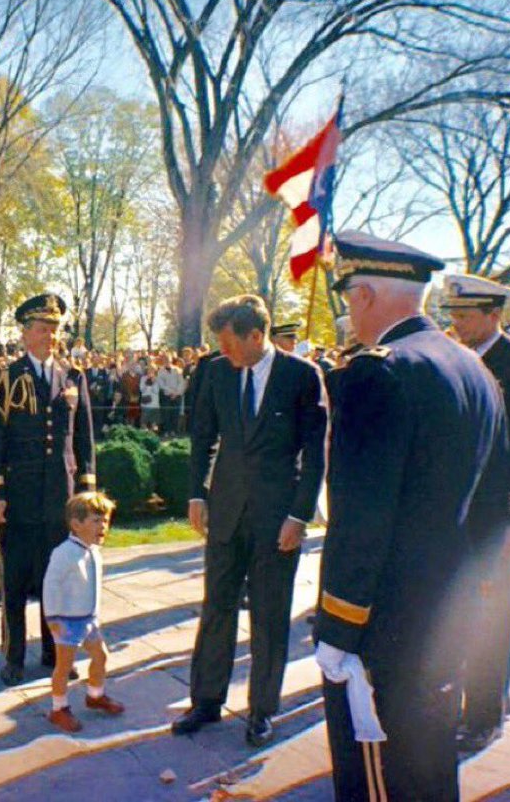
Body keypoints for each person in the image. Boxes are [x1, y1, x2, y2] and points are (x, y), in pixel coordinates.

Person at [315, 233, 505, 802]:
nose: (350, 313)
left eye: (350, 298)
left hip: (383, 623)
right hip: (446, 610)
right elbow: (491, 505)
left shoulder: (379, 372)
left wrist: (339, 627)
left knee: (379, 777)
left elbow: (360, 519)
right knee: (429, 764)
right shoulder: (473, 368)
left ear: (366, 294)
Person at [172, 295, 327, 747]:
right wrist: (197, 493)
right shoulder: (218, 372)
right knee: (216, 608)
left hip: (277, 519)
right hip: (226, 512)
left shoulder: (301, 376)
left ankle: (261, 710)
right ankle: (206, 701)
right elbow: (203, 436)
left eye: (228, 342)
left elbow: (316, 454)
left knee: (269, 615)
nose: (222, 351)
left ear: (256, 336)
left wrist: (299, 515)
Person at [442, 273, 510, 752]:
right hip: (458, 515)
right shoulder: (452, 360)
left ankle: (483, 717)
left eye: (465, 315)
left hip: (500, 519)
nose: (457, 324)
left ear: (494, 316)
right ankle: (491, 695)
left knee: (491, 613)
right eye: (453, 315)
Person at [0, 293, 96, 687]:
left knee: (57, 579)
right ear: (25, 333)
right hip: (18, 496)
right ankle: (13, 656)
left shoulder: (73, 376)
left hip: (60, 497)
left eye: (55, 330)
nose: (51, 337)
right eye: (43, 329)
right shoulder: (6, 377)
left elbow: (84, 440)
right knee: (14, 580)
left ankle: (53, 651)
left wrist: (86, 493)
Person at [42, 491, 125, 733]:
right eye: (96, 521)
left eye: (105, 521)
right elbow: (51, 586)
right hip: (67, 621)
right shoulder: (64, 552)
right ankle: (59, 708)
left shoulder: (94, 552)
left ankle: (95, 695)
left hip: (88, 619)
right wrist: (52, 617)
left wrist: (95, 613)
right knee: (64, 666)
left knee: (101, 656)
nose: (103, 526)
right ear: (76, 524)